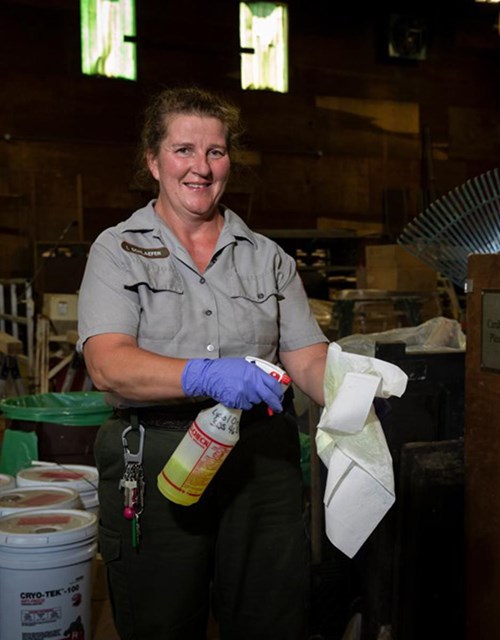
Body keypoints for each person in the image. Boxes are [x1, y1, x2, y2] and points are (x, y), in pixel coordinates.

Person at [77, 85, 328, 640]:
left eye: (215, 151)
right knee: (161, 621)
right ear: (153, 160)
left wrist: (357, 389)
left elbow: (308, 359)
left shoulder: (268, 258)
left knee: (272, 620)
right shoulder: (116, 250)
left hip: (261, 462)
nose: (201, 167)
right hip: (159, 457)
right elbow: (107, 365)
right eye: (183, 150)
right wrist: (204, 375)